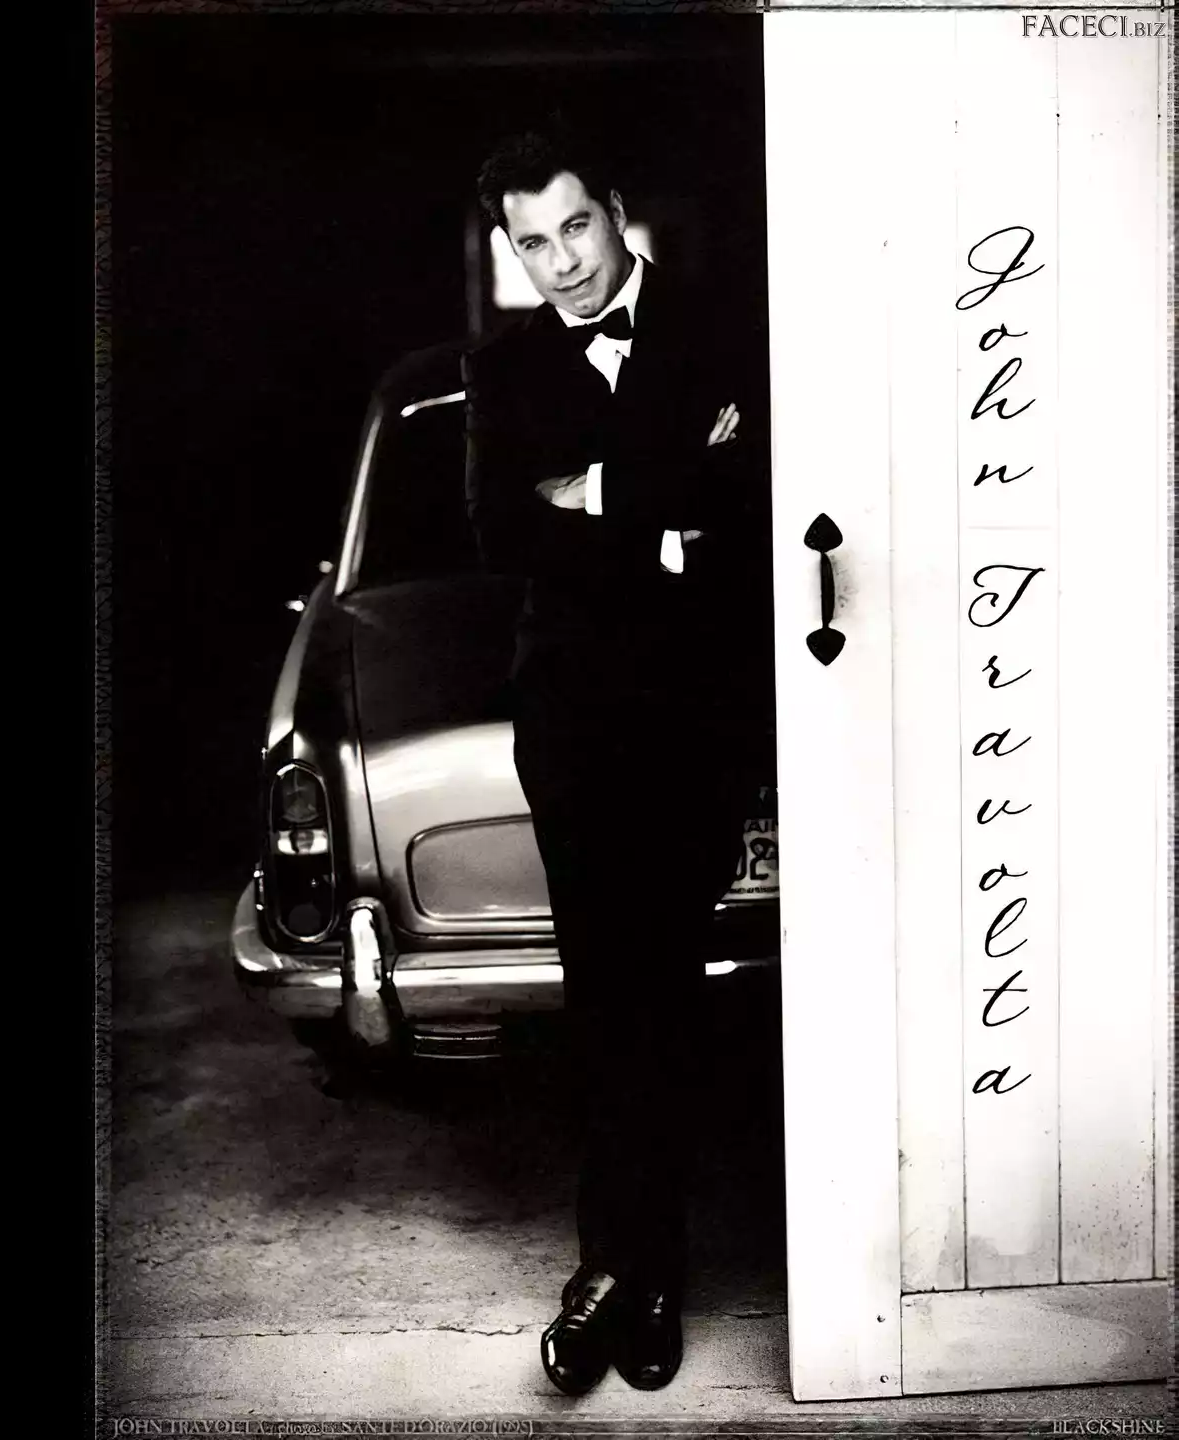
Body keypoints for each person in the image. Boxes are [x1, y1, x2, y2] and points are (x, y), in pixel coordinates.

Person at [462, 130, 771, 1395]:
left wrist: (590, 494)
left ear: (619, 212)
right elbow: (499, 532)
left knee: (667, 990)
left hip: (694, 723)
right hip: (574, 726)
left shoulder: (726, 326)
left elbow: (749, 505)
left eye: (576, 227)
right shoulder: (502, 366)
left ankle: (636, 1275)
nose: (562, 264)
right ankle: (625, 1270)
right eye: (533, 243)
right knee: (607, 993)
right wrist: (663, 510)